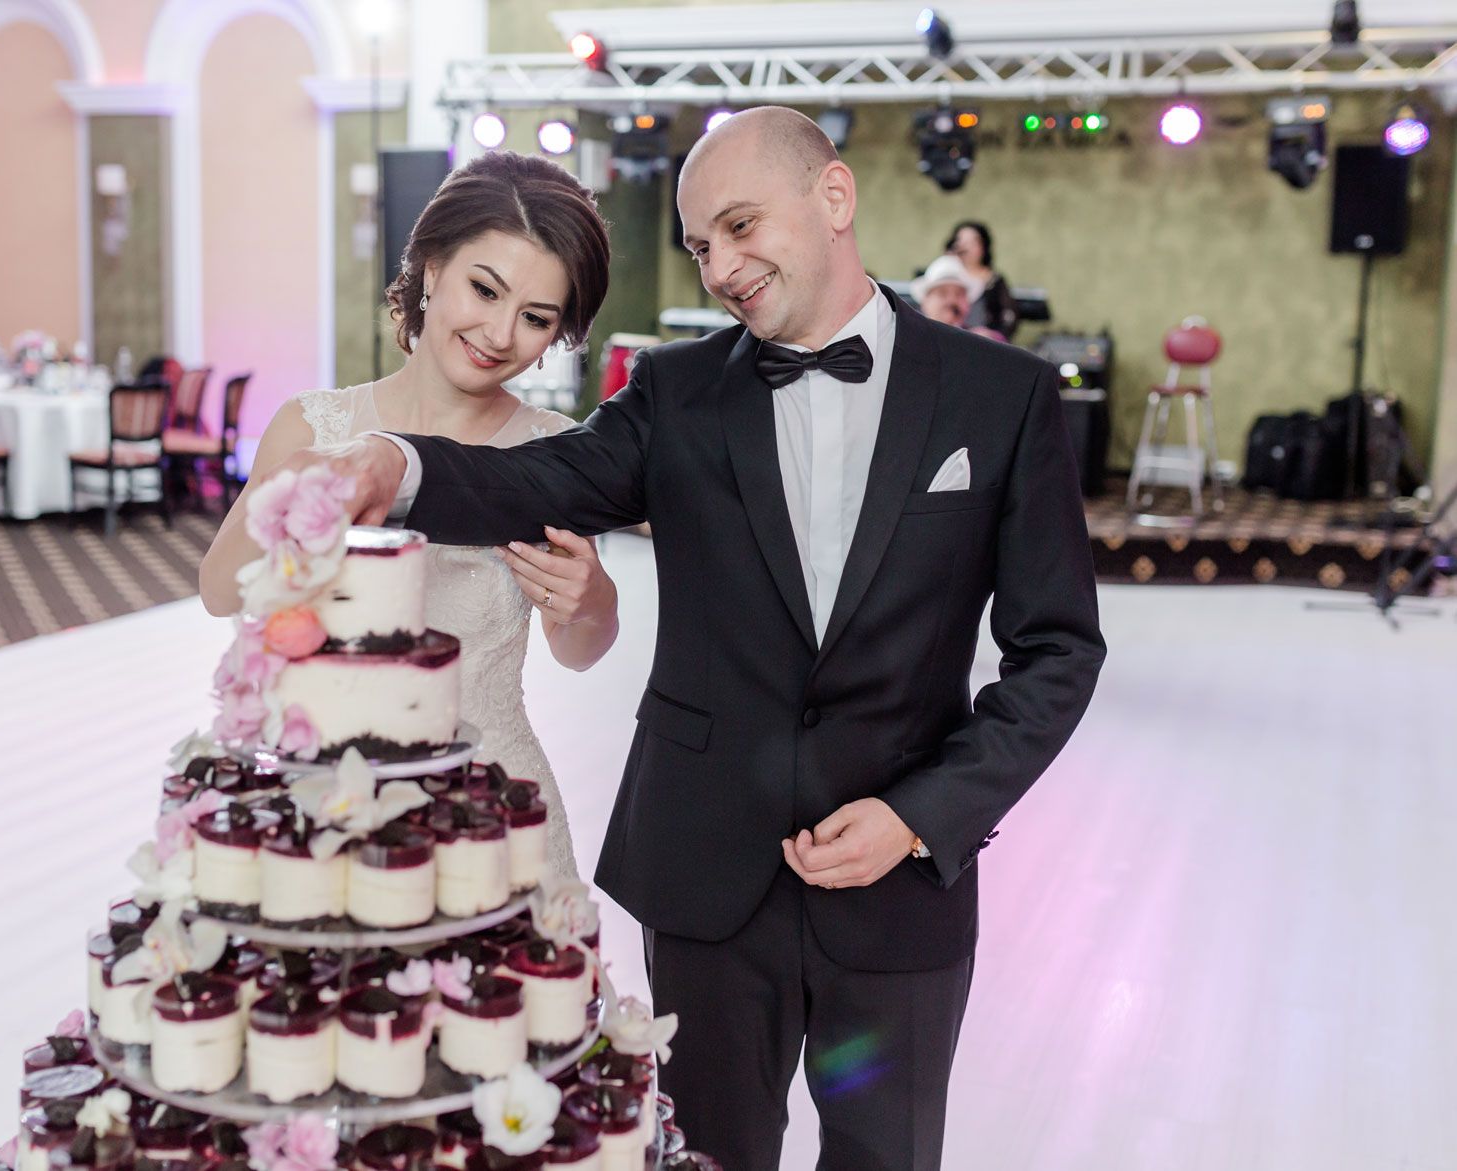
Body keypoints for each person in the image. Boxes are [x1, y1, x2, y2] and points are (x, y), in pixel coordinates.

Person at [265, 107, 1105, 1170]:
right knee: (704, 1154)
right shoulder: (675, 390)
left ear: (833, 198)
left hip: (900, 890)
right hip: (707, 879)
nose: (721, 268)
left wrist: (918, 817)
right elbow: (538, 475)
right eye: (702, 244)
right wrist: (400, 464)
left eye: (741, 227)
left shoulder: (1001, 394)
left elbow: (1057, 650)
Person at [200, 150, 618, 881]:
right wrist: (286, 493)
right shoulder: (313, 426)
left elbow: (577, 651)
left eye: (534, 318)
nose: (499, 334)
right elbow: (219, 592)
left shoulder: (551, 451)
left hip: (488, 808)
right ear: (430, 267)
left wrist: (593, 601)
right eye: (483, 290)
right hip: (326, 800)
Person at [945, 219, 1019, 340]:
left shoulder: (994, 280)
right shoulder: (947, 275)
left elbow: (1009, 317)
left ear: (983, 247)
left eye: (972, 242)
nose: (965, 247)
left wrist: (993, 335)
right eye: (961, 241)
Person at [914, 253, 980, 328]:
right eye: (942, 293)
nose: (951, 300)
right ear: (926, 301)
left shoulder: (981, 335)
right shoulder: (909, 334)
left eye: (959, 294)